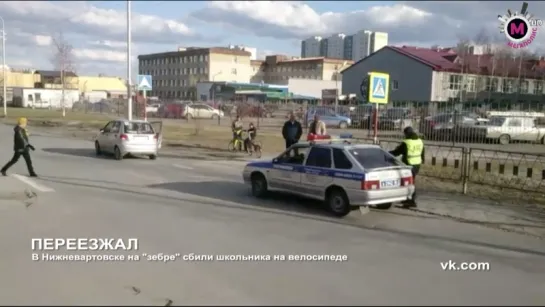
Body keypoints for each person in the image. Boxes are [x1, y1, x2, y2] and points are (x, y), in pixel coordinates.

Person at [389, 126, 424, 208]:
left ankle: (411, 201)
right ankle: (407, 199)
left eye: (405, 134)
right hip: (417, 164)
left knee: (410, 182)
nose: (404, 136)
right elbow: (422, 153)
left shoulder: (406, 142)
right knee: (410, 181)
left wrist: (387, 153)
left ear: (407, 134)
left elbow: (397, 152)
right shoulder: (419, 141)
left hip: (409, 165)